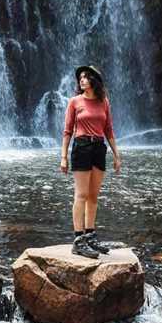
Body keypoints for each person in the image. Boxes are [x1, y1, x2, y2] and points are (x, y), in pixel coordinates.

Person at [59, 65, 122, 258]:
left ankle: (90, 236)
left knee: (93, 195)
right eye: (80, 78)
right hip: (82, 147)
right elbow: (67, 131)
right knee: (82, 194)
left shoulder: (104, 102)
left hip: (99, 148)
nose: (82, 80)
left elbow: (109, 130)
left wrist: (116, 155)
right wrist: (63, 157)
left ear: (94, 80)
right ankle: (78, 241)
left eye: (86, 77)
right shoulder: (74, 101)